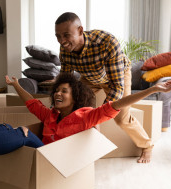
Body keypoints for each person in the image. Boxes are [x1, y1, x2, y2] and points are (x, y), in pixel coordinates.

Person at [0, 73, 171, 163]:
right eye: (56, 90)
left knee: (23, 134)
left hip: (55, 159)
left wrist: (154, 90)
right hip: (44, 151)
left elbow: (117, 105)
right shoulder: (50, 115)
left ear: (75, 96)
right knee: (6, 127)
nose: (57, 93)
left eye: (63, 91)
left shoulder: (87, 116)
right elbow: (31, 102)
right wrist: (15, 83)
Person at [55, 12, 157, 163]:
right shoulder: (65, 49)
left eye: (66, 35)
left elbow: (116, 87)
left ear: (80, 31)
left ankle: (147, 146)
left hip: (115, 77)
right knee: (76, 109)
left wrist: (97, 119)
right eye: (58, 36)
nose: (62, 41)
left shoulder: (107, 42)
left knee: (122, 119)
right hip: (90, 78)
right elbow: (65, 81)